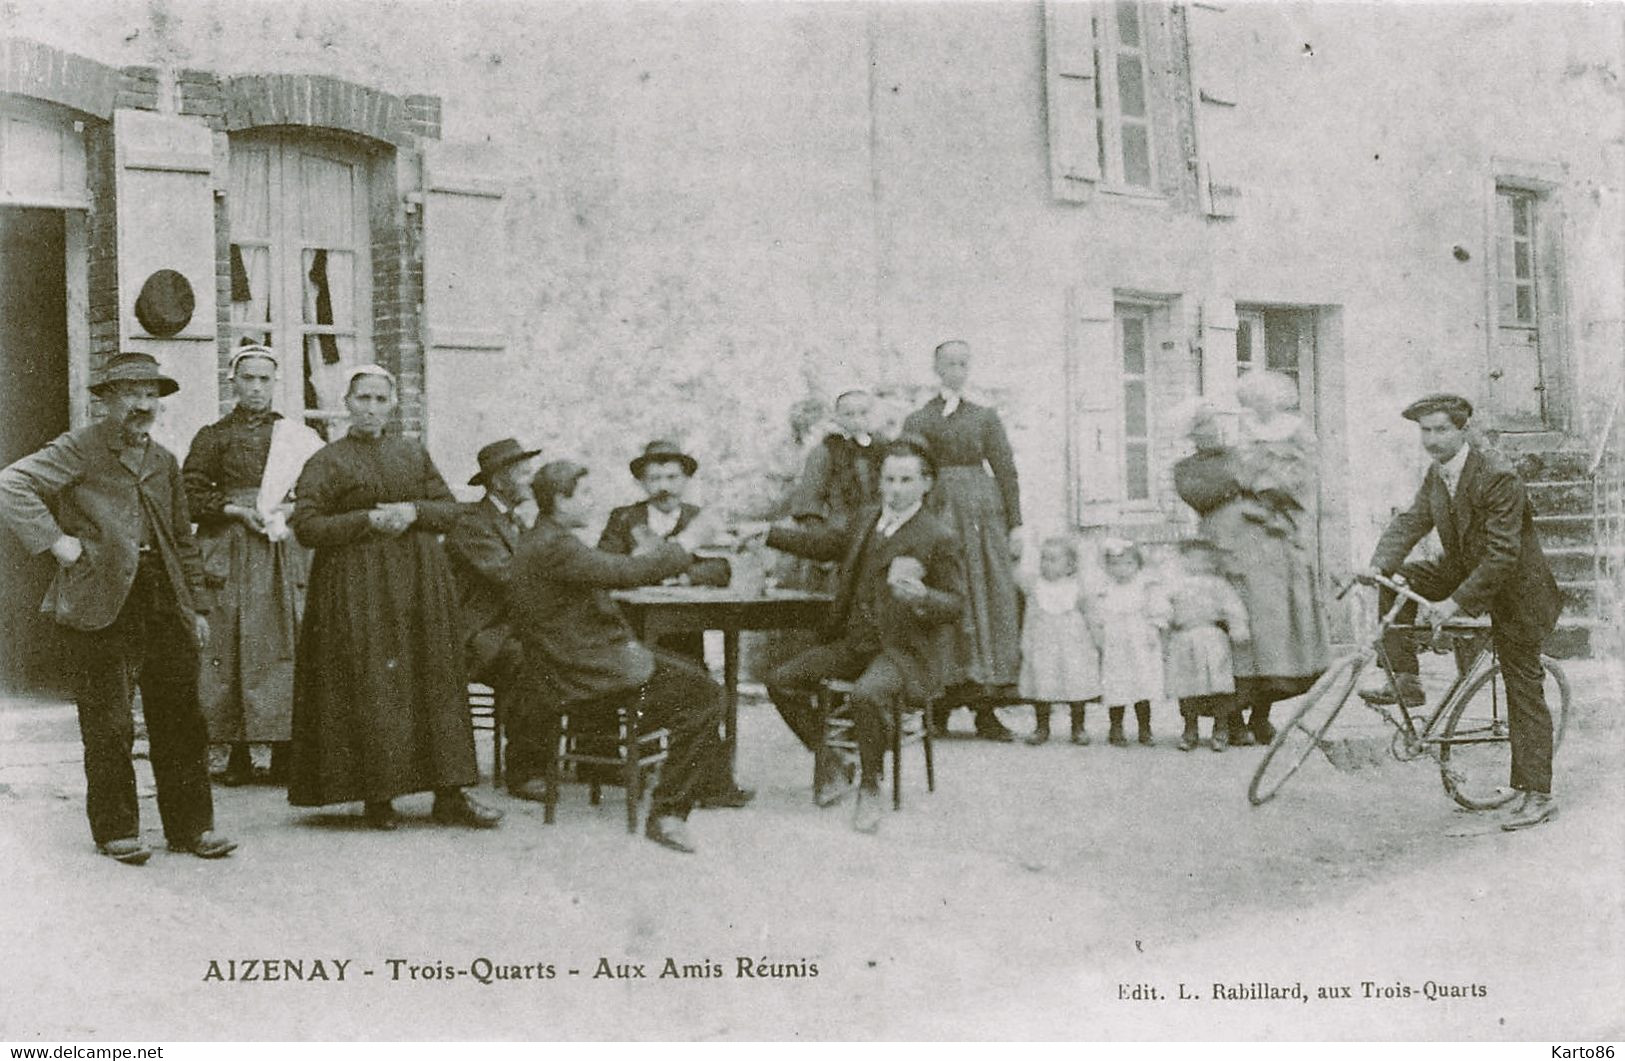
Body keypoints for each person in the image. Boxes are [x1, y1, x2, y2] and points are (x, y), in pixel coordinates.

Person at [0, 352, 236, 864]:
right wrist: (57, 543)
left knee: (180, 717)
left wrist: (195, 605)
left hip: (162, 596)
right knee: (108, 721)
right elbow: (11, 484)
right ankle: (116, 831)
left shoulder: (164, 461)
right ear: (106, 400)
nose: (142, 404)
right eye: (130, 393)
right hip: (99, 598)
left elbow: (180, 537)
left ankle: (193, 828)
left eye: (150, 394)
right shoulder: (79, 448)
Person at [287, 365, 501, 831]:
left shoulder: (412, 453)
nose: (372, 408)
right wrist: (365, 521)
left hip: (420, 587)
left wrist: (414, 511)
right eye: (363, 398)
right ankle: (377, 796)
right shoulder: (327, 461)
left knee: (434, 682)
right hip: (356, 591)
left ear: (393, 405)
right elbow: (306, 526)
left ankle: (449, 794)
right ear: (346, 403)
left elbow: (451, 511)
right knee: (371, 686)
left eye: (381, 400)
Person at [510, 460, 742, 854]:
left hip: (586, 663)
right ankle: (667, 813)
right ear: (560, 501)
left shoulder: (546, 538)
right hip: (590, 672)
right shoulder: (555, 546)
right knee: (705, 696)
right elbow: (629, 571)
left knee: (692, 683)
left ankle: (678, 791)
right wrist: (689, 540)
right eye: (584, 494)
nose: (592, 500)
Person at [1358, 393, 1563, 831]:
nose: (1431, 440)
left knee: (1521, 685)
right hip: (1468, 571)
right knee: (1397, 581)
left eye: (1440, 430)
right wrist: (1378, 564)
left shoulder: (1498, 477)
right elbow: (1412, 521)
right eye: (1425, 431)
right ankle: (1406, 679)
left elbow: (1503, 555)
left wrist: (1454, 602)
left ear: (1463, 430)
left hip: (1518, 590)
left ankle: (1538, 793)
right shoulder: (1438, 474)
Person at [763, 437, 965, 834]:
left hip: (904, 651)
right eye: (888, 479)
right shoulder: (866, 519)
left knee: (867, 695)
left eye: (906, 480)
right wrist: (768, 534)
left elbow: (956, 603)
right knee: (781, 680)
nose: (895, 488)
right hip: (855, 642)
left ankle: (870, 786)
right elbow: (825, 546)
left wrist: (925, 595)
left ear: (926, 484)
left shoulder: (937, 536)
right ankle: (832, 759)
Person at [182, 345, 324, 786]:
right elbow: (188, 494)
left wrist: (288, 509)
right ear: (234, 383)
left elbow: (319, 489)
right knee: (231, 645)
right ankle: (236, 751)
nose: (257, 388)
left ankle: (286, 749)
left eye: (265, 379)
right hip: (230, 548)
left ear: (275, 382)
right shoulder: (213, 436)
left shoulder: (294, 435)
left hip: (284, 549)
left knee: (286, 644)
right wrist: (233, 509)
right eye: (249, 379)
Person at [1173, 384, 1329, 746]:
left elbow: (1285, 485)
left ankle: (1262, 715)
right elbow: (1203, 495)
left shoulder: (1240, 452)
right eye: (1200, 427)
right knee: (1233, 638)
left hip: (1269, 556)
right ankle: (1233, 719)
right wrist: (1249, 480)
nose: (1210, 431)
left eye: (1213, 423)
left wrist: (1260, 480)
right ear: (1190, 435)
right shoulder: (1187, 469)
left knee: (1268, 636)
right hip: (1226, 554)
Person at [902, 340, 1023, 741]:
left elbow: (1006, 469)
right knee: (945, 596)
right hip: (939, 511)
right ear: (936, 367)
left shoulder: (985, 416)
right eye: (949, 363)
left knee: (986, 598)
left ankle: (986, 709)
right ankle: (938, 706)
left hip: (983, 517)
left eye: (962, 363)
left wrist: (1016, 525)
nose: (956, 369)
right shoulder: (920, 417)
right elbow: (907, 467)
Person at [445, 437, 546, 799]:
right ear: (499, 480)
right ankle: (525, 771)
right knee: (529, 660)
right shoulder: (472, 523)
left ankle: (593, 757)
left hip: (510, 628)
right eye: (524, 474)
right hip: (477, 635)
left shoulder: (517, 519)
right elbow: (508, 575)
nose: (532, 481)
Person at [598, 439, 731, 662]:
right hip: (635, 627)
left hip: (686, 628)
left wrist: (684, 577)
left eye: (672, 478)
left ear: (686, 480)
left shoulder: (698, 519)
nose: (664, 487)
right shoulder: (624, 518)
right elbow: (606, 564)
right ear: (640, 482)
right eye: (654, 479)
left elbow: (721, 568)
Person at [1163, 538, 1251, 752]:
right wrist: (1163, 629)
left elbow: (1233, 607)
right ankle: (1190, 729)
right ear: (1183, 561)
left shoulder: (1218, 585)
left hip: (1212, 637)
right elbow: (1163, 607)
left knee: (1218, 685)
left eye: (1203, 559)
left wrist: (1238, 627)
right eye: (1191, 559)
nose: (1198, 564)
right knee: (1187, 687)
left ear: (1211, 562)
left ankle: (1220, 728)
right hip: (1184, 638)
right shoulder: (1175, 584)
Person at [1016, 535, 1101, 746]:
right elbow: (1030, 616)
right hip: (1043, 645)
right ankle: (1042, 727)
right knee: (1042, 685)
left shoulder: (1078, 587)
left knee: (1076, 685)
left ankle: (1078, 727)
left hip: (1074, 646)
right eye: (1043, 559)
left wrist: (1098, 641)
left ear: (1070, 564)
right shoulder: (1036, 587)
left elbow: (1091, 615)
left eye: (1053, 559)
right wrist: (1026, 644)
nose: (1046, 564)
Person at [1091, 539, 1166, 747]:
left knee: (1142, 683)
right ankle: (1116, 727)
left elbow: (1156, 609)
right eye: (1114, 564)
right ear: (1107, 567)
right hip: (1116, 642)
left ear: (1138, 565)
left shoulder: (1145, 586)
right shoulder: (1105, 589)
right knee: (1116, 685)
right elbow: (1098, 615)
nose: (1121, 569)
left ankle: (1145, 728)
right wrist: (1099, 635)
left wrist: (1153, 627)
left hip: (1139, 640)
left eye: (1127, 564)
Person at [788, 389, 880, 530]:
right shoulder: (826, 451)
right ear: (837, 417)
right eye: (849, 414)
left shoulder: (883, 446)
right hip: (842, 528)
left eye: (864, 413)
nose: (857, 420)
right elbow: (809, 501)